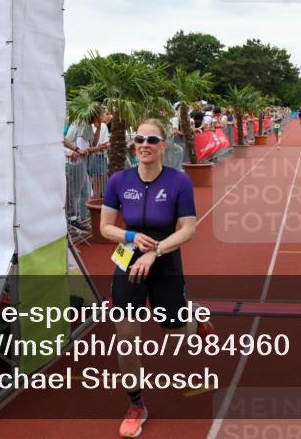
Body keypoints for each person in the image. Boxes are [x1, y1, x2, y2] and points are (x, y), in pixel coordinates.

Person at [99, 119, 213, 438]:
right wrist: (131, 236)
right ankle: (136, 404)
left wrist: (155, 251)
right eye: (139, 139)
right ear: (134, 144)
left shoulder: (179, 182)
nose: (144, 144)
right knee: (126, 335)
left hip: (164, 259)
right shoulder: (119, 180)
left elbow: (188, 229)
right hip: (128, 261)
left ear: (164, 144)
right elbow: (106, 227)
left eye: (152, 139)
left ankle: (194, 317)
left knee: (176, 331)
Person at [76, 105, 111, 200]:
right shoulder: (84, 126)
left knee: (88, 191)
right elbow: (84, 150)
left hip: (87, 162)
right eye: (103, 114)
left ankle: (87, 213)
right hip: (80, 163)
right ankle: (87, 213)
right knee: (91, 190)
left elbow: (94, 143)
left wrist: (98, 128)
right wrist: (99, 148)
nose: (104, 116)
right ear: (96, 115)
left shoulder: (91, 126)